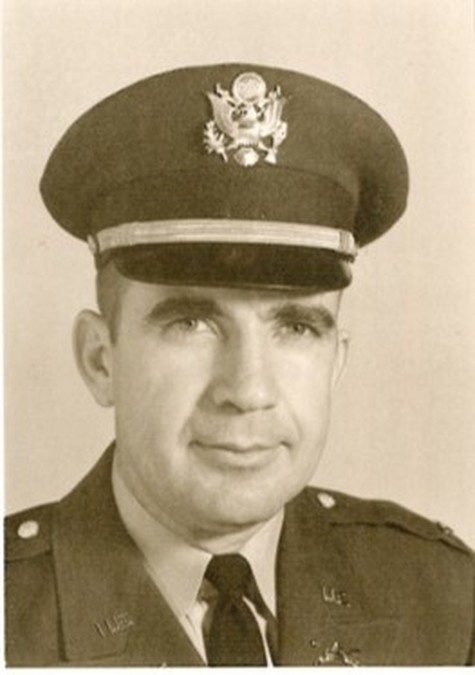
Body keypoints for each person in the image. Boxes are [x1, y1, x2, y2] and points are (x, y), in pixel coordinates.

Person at [5, 63, 474, 666]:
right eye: (191, 323)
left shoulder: (443, 603)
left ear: (335, 363)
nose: (247, 390)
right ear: (101, 360)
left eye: (296, 327)